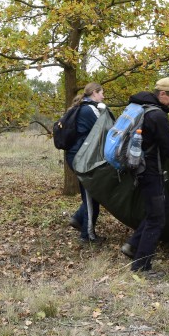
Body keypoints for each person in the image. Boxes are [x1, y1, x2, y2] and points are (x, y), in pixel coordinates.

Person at [119, 77, 169, 277]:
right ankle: (141, 267)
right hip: (150, 171)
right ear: (162, 94)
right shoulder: (157, 116)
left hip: (138, 168)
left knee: (156, 210)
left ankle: (132, 246)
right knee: (157, 218)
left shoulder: (139, 107)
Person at [66, 82, 107, 244]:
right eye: (102, 93)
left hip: (78, 156)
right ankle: (87, 236)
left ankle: (78, 218)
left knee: (92, 194)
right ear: (95, 93)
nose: (103, 96)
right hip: (81, 158)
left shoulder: (82, 107)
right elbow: (105, 129)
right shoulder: (90, 109)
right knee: (91, 196)